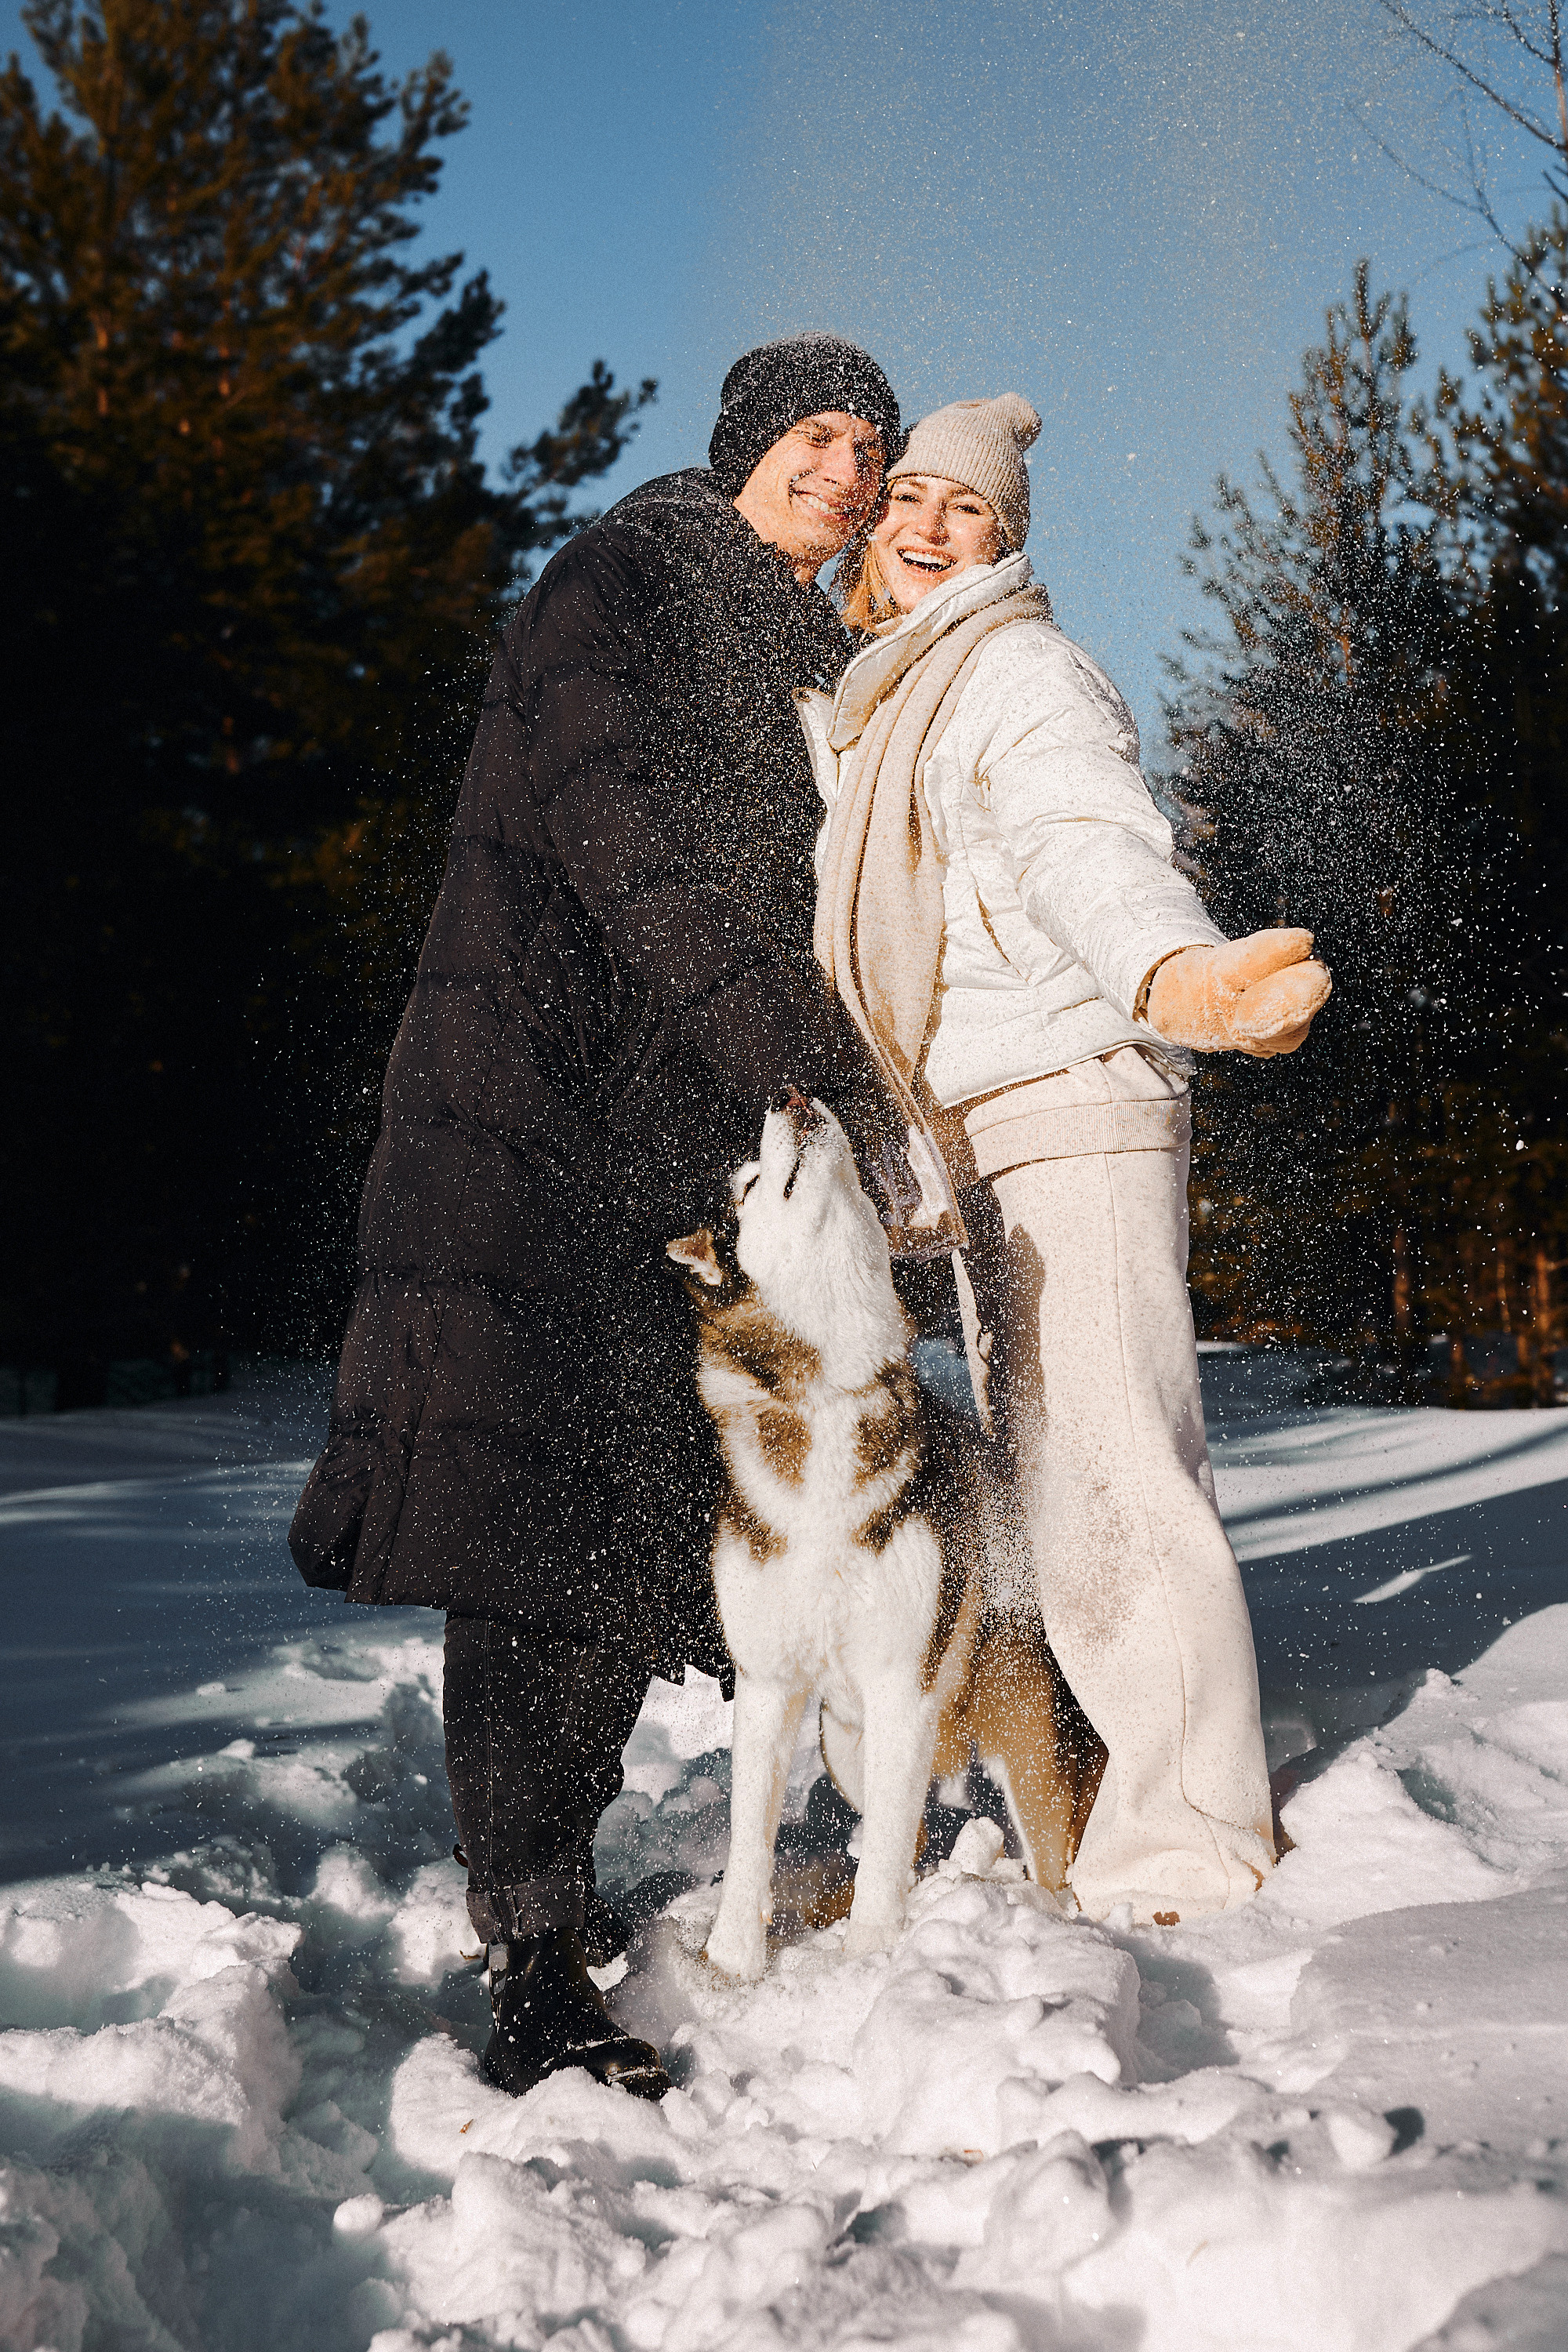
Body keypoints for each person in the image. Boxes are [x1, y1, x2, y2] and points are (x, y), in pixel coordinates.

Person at [289, 334, 908, 2096]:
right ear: (737, 445)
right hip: (526, 1129)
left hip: (661, 1152)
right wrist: (805, 1066)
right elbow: (619, 832)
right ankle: (533, 1955)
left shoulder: (805, 640)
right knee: (528, 1539)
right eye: (814, 432)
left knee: (632, 1524)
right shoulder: (626, 574)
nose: (847, 469)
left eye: (869, 443)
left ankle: (552, 1898)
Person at [807, 394, 1331, 1925]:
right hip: (990, 1137)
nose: (921, 523)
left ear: (1003, 542)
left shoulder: (1016, 673)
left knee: (1112, 1489)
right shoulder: (883, 698)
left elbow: (1085, 841)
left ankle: (1184, 1849)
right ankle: (1111, 1789)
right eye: (906, 494)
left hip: (1071, 1105)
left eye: (962, 509)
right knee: (1051, 1498)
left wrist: (1175, 972)